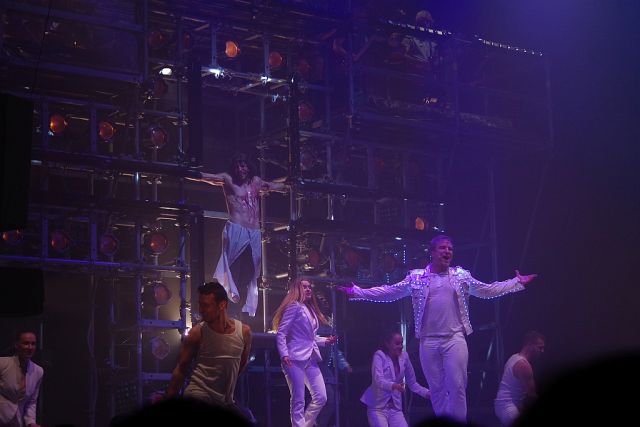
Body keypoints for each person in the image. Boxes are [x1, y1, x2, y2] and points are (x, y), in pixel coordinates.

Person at [337, 234, 538, 422]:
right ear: (432, 252)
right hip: (428, 341)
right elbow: (389, 292)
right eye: (442, 248)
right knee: (437, 389)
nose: (447, 251)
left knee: (457, 386)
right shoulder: (417, 278)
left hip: (454, 338)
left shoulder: (461, 276)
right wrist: (359, 292)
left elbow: (487, 290)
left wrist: (515, 282)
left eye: (450, 248)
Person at [188, 153, 286, 317]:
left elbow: (272, 186)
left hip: (254, 232)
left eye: (243, 165)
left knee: (249, 273)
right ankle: (227, 311)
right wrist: (187, 172)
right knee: (233, 271)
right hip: (236, 230)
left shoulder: (255, 182)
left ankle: (235, 312)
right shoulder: (228, 180)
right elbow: (206, 177)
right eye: (237, 166)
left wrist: (289, 184)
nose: (240, 169)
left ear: (248, 166)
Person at [164, 281, 252, 411]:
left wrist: (224, 383)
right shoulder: (197, 333)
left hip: (224, 401)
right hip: (198, 396)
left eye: (205, 306)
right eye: (200, 305)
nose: (201, 310)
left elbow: (241, 363)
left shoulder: (244, 332)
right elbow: (180, 370)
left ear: (222, 305)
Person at [272, 278, 337, 427]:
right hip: (293, 358)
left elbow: (309, 337)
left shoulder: (310, 309)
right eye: (305, 287)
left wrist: (325, 340)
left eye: (309, 287)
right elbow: (281, 333)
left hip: (310, 358)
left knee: (321, 397)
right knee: (298, 399)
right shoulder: (293, 306)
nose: (308, 289)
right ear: (297, 289)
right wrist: (284, 354)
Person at [361, 330, 431, 427]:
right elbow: (378, 380)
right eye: (397, 344)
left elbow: (413, 383)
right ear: (387, 344)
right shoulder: (379, 355)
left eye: (401, 343)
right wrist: (394, 386)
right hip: (377, 407)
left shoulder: (404, 356)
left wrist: (427, 393)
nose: (400, 346)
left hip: (395, 407)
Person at [314, 289, 352, 427]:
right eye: (321, 299)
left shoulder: (330, 321)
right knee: (326, 399)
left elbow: (335, 348)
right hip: (312, 365)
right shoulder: (310, 320)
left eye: (325, 299)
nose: (325, 302)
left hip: (325, 367)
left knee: (334, 400)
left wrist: (343, 364)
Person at [494, 331, 545, 426]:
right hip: (508, 407)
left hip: (502, 405)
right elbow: (531, 395)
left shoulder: (514, 357)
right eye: (540, 347)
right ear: (530, 345)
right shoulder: (523, 365)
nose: (542, 351)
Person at [0, 331, 43, 427]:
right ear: (17, 345)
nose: (30, 347)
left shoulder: (38, 371)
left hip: (17, 423)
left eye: (33, 344)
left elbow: (31, 401)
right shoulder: (2, 363)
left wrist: (31, 422)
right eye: (26, 343)